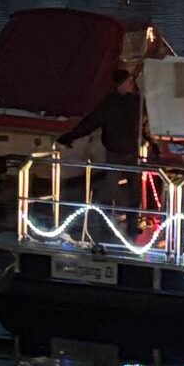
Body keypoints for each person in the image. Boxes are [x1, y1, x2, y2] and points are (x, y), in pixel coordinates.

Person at [56, 68, 144, 240]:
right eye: (128, 82)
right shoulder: (110, 103)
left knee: (135, 191)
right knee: (110, 190)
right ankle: (105, 223)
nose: (131, 85)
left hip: (131, 153)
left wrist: (150, 142)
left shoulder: (136, 101)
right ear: (121, 84)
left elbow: (143, 124)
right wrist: (71, 136)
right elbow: (91, 122)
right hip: (114, 153)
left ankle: (132, 225)